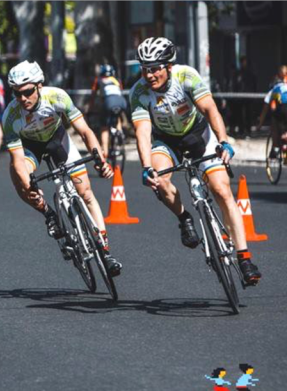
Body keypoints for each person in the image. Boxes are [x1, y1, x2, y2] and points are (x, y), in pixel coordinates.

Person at [131, 37, 261, 285]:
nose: (149, 74)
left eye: (155, 67)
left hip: (199, 136)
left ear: (168, 66)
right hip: (166, 141)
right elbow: (142, 132)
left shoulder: (186, 76)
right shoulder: (138, 92)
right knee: (159, 181)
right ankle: (184, 218)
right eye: (144, 68)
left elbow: (210, 109)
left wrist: (223, 141)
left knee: (221, 190)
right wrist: (147, 167)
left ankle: (244, 258)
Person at [1, 60, 122, 276]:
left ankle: (105, 249)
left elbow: (85, 131)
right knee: (17, 176)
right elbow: (19, 160)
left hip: (58, 141)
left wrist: (100, 160)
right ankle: (48, 214)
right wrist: (30, 185)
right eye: (16, 94)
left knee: (85, 192)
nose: (22, 98)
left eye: (27, 92)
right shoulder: (10, 116)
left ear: (39, 86)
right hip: (30, 149)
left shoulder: (57, 96)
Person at [87, 64, 128, 159]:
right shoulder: (116, 80)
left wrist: (90, 108)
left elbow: (93, 95)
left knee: (104, 126)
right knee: (117, 115)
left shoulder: (99, 80)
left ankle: (105, 150)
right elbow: (119, 91)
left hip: (109, 102)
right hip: (122, 101)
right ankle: (120, 132)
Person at [257, 66, 287, 158]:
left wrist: (260, 125)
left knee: (274, 121)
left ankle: (276, 147)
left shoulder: (274, 88)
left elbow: (266, 109)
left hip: (282, 109)